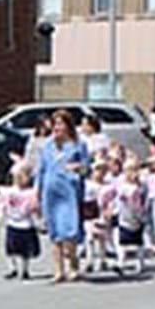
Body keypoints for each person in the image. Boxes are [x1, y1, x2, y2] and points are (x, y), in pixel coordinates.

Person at [36, 109, 89, 282]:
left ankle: (73, 264)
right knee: (55, 232)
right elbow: (41, 171)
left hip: (69, 193)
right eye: (55, 123)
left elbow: (87, 168)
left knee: (69, 231)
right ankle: (58, 270)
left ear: (68, 125)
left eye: (61, 123)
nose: (57, 127)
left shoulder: (78, 145)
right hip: (51, 192)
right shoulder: (47, 146)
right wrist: (37, 193)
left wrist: (78, 168)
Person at [0, 161, 41, 280]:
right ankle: (13, 268)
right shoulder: (8, 192)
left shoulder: (30, 193)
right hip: (12, 223)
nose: (20, 179)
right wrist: (1, 214)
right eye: (17, 177)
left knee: (25, 251)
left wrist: (39, 220)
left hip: (26, 225)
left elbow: (35, 209)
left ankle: (25, 270)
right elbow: (3, 204)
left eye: (23, 176)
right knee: (11, 249)